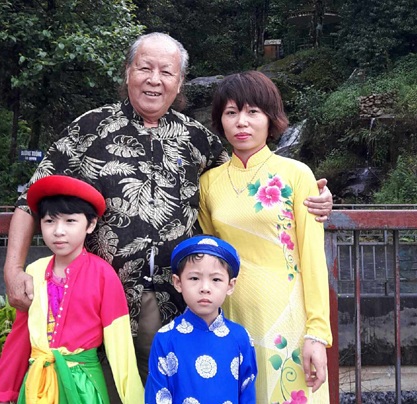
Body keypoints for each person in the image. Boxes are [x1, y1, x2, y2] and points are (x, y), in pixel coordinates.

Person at [3, 32, 332, 394]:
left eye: (166, 72)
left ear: (180, 81)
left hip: (183, 303)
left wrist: (312, 196)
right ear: (128, 72)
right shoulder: (90, 129)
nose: (154, 80)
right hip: (101, 298)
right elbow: (29, 200)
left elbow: (244, 181)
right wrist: (13, 269)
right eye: (145, 68)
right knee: (105, 391)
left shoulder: (197, 139)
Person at [198, 71, 333, 403]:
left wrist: (317, 333)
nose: (241, 122)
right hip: (230, 316)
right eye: (231, 112)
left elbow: (313, 258)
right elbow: (209, 260)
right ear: (220, 120)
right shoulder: (209, 183)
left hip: (288, 318)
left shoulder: (296, 174)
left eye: (253, 112)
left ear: (270, 118)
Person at [0, 175, 143, 404]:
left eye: (70, 221)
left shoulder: (103, 275)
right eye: (49, 221)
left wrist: (133, 399)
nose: (58, 231)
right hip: (37, 385)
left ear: (91, 224)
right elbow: (21, 335)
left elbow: (120, 343)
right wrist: (6, 389)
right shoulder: (34, 271)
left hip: (84, 387)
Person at [145, 235, 257, 403]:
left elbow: (247, 394)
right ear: (178, 282)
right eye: (194, 278)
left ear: (230, 285)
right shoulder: (165, 338)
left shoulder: (241, 338)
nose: (205, 288)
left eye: (216, 279)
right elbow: (157, 397)